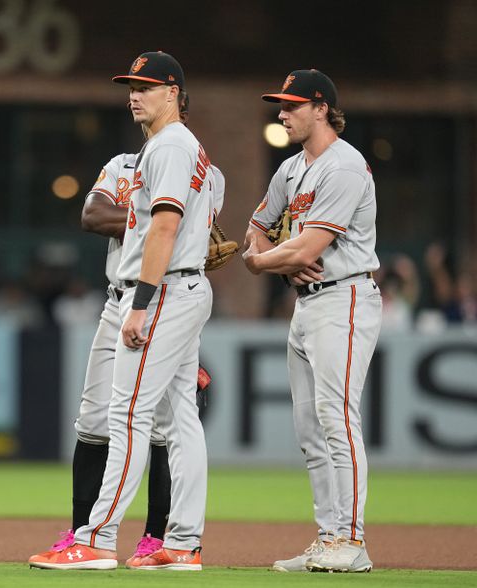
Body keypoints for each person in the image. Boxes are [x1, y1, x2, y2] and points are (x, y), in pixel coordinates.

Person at [29, 51, 215, 571]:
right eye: (131, 86)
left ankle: (97, 538)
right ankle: (182, 543)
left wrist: (142, 302)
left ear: (174, 91)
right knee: (180, 420)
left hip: (159, 292)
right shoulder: (178, 148)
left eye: (146, 86)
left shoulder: (172, 146)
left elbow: (164, 228)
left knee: (128, 416)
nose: (134, 94)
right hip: (181, 288)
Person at [242, 69, 381, 573]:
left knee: (337, 418)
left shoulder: (344, 167)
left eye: (292, 105)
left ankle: (353, 541)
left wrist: (264, 262)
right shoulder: (290, 169)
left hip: (345, 297)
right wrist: (276, 258)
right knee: (309, 427)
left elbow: (305, 246)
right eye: (281, 104)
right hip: (305, 304)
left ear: (322, 108)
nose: (282, 112)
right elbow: (255, 230)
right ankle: (328, 538)